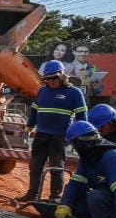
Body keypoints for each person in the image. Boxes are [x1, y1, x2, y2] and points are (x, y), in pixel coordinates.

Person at [16, 60, 88, 203]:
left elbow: (82, 117)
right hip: (41, 135)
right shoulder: (42, 91)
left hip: (59, 137)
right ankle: (32, 194)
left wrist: (81, 136)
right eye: (47, 78)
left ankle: (55, 197)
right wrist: (28, 128)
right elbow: (34, 112)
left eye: (54, 77)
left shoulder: (74, 92)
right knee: (35, 166)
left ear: (62, 76)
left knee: (56, 167)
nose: (51, 81)